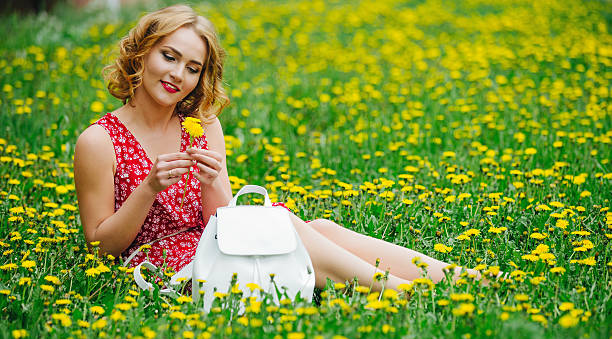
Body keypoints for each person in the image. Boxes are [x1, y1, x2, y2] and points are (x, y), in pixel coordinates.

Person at [74, 4, 484, 295]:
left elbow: (220, 219)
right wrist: (148, 188)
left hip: (214, 241)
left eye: (193, 68)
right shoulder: (100, 140)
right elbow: (99, 248)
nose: (177, 74)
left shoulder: (201, 125)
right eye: (169, 57)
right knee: (286, 229)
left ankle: (454, 276)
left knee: (318, 228)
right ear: (142, 53)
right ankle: (398, 292)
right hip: (165, 264)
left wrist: (214, 180)